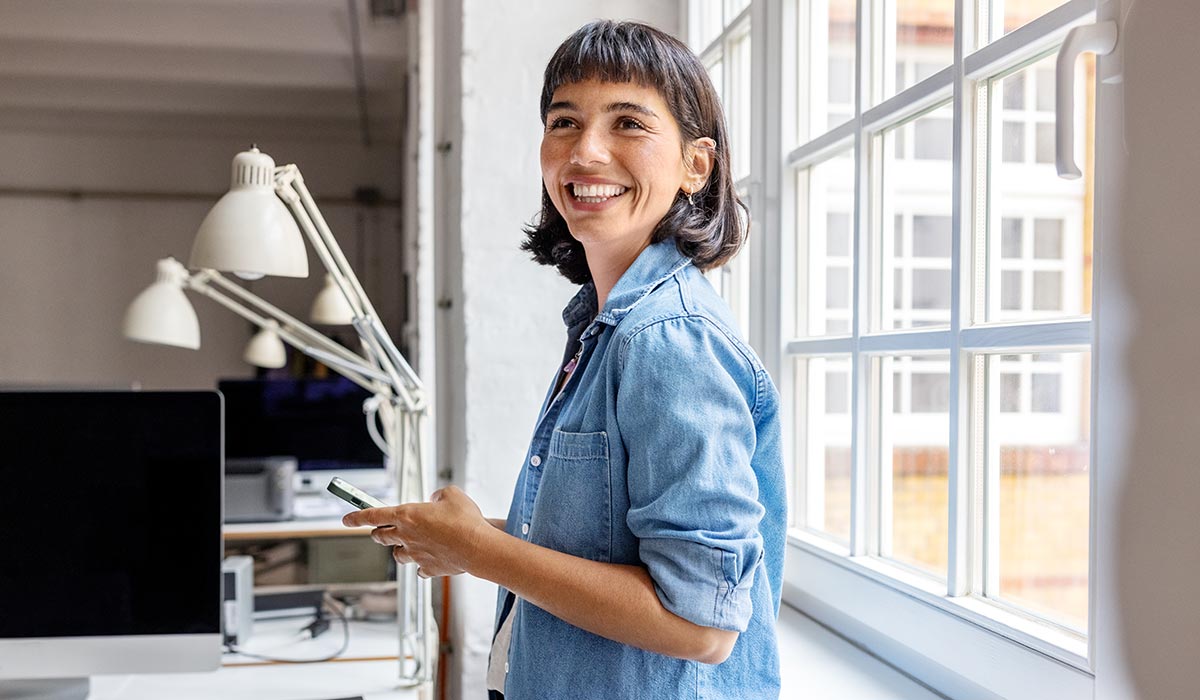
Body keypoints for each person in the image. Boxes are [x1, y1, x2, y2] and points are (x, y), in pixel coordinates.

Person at [343, 19, 785, 699]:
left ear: (696, 164)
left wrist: (482, 551)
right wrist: (463, 537)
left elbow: (701, 624)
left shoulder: (667, 340)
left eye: (629, 123)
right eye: (564, 123)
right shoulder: (608, 327)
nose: (586, 153)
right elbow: (613, 550)